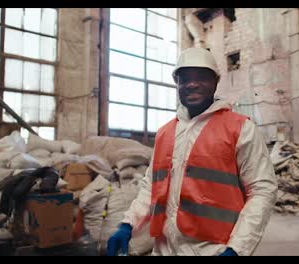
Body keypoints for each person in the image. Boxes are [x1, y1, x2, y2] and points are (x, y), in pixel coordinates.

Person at [106, 47, 277, 256]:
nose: (192, 84)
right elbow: (151, 186)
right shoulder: (165, 133)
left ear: (215, 82)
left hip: (213, 249)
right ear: (177, 84)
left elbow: (262, 191)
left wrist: (237, 249)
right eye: (184, 78)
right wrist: (127, 224)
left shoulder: (240, 129)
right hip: (164, 248)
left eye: (201, 78)